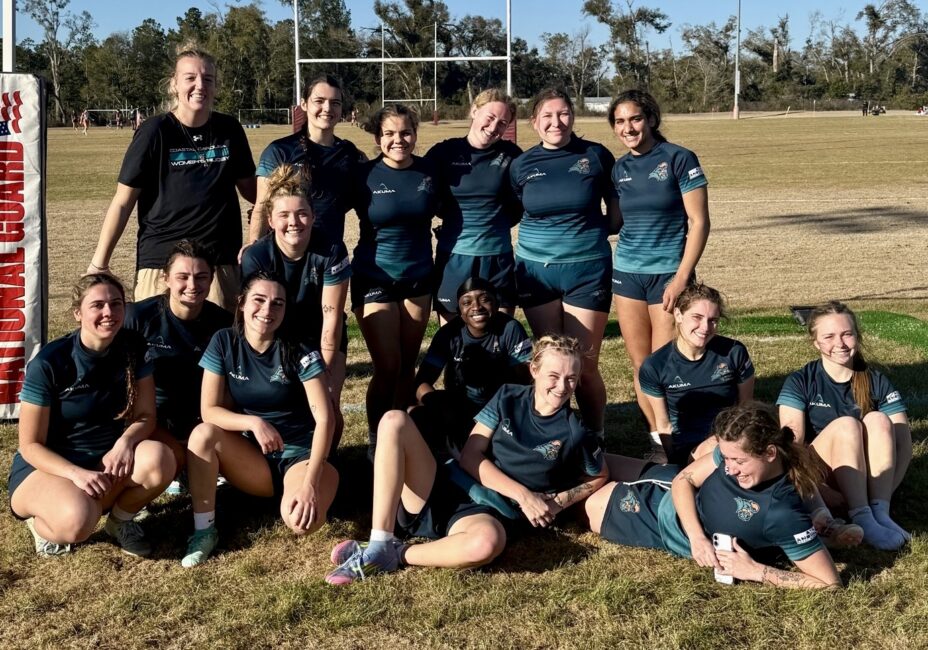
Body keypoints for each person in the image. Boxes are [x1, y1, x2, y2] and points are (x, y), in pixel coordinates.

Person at [324, 335, 607, 585]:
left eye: (571, 378)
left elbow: (599, 474)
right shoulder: (508, 396)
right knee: (394, 420)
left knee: (485, 545)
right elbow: (470, 455)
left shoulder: (576, 430)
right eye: (553, 376)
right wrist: (523, 495)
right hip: (446, 484)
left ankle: (394, 553)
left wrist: (557, 503)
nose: (562, 386)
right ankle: (379, 540)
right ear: (534, 370)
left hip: (486, 514)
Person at [586, 403, 842, 589]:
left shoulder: (782, 514)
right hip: (670, 492)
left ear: (770, 453)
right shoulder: (742, 454)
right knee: (590, 470)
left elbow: (829, 583)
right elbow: (684, 480)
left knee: (584, 505)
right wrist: (698, 538)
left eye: (738, 461)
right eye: (726, 458)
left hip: (658, 523)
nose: (728, 468)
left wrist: (755, 571)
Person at [8, 274, 174, 557]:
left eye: (116, 304)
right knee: (78, 522)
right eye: (97, 305)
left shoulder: (133, 347)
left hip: (105, 459)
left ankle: (119, 521)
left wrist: (125, 443)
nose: (108, 313)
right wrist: (76, 474)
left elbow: (146, 415)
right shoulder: (50, 362)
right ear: (78, 313)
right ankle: (41, 522)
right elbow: (30, 446)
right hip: (49, 467)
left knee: (161, 459)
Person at [180, 271, 338, 567]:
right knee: (202, 434)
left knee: (302, 523)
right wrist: (253, 423)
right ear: (241, 303)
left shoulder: (300, 348)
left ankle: (310, 487)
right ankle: (204, 531)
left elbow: (326, 420)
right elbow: (209, 410)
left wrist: (309, 483)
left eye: (277, 303)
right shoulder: (224, 341)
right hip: (255, 459)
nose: (267, 310)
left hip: (300, 457)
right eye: (259, 300)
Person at [88, 42, 257, 311]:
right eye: (190, 78)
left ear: (216, 86)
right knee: (157, 347)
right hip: (161, 262)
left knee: (219, 346)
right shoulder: (154, 132)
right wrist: (99, 262)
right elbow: (123, 202)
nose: (200, 85)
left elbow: (254, 191)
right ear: (174, 84)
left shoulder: (230, 129)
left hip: (218, 262)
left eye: (208, 79)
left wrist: (273, 205)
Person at [608, 89, 710, 454]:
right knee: (641, 364)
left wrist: (682, 277)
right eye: (620, 121)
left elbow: (699, 222)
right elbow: (614, 221)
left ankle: (680, 434)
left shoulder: (679, 158)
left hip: (669, 273)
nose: (628, 127)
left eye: (635, 118)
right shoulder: (619, 168)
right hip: (627, 274)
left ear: (650, 119)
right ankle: (657, 437)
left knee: (667, 360)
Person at [508, 88, 616, 432]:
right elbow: (511, 211)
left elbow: (615, 217)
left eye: (564, 114)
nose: (557, 122)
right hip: (536, 273)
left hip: (587, 270)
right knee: (551, 364)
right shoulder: (521, 165)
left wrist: (584, 236)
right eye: (548, 116)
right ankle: (555, 434)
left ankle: (594, 435)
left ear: (573, 116)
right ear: (535, 123)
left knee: (583, 364)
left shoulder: (596, 156)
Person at [777, 301, 911, 550]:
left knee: (878, 419)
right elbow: (791, 448)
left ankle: (879, 513)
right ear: (815, 342)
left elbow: (903, 445)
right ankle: (862, 517)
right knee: (848, 425)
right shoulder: (800, 381)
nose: (840, 343)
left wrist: (882, 495)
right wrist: (821, 497)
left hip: (866, 483)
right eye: (829, 336)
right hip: (821, 481)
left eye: (847, 334)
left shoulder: (875, 380)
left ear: (857, 337)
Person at [242, 163, 351, 449]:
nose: (294, 222)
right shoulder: (257, 256)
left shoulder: (331, 249)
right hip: (276, 338)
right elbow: (256, 318)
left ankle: (325, 465)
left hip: (320, 336)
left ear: (313, 216)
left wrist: (325, 368)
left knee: (327, 410)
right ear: (270, 219)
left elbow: (331, 314)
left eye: (302, 213)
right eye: (284, 215)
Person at [352, 104, 439, 453]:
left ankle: (399, 437)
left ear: (415, 134)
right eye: (389, 133)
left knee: (406, 365)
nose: (398, 140)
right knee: (388, 365)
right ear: (377, 138)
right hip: (374, 277)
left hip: (418, 277)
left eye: (405, 132)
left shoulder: (429, 173)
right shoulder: (363, 175)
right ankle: (377, 440)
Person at [123, 239, 232, 491]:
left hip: (201, 419)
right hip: (149, 419)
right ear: (166, 278)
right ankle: (166, 466)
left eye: (201, 277)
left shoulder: (223, 324)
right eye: (182, 276)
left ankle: (191, 463)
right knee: (174, 460)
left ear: (212, 278)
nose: (192, 285)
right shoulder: (137, 318)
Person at [426, 89, 522, 322]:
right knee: (454, 339)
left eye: (502, 123)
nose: (494, 127)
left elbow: (521, 203)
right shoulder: (443, 152)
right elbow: (425, 196)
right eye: (489, 118)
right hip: (455, 257)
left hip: (497, 257)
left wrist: (496, 225)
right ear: (474, 111)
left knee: (500, 336)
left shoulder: (512, 155)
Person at [411, 277, 532, 456]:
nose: (476, 307)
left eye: (484, 299)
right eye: (467, 302)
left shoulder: (510, 329)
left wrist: (505, 410)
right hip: (459, 407)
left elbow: (527, 381)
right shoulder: (449, 334)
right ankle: (438, 462)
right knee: (413, 414)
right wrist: (440, 404)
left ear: (497, 303)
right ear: (459, 311)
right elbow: (422, 382)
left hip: (501, 408)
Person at [638, 283, 754, 464]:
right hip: (688, 449)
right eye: (697, 317)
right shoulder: (655, 366)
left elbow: (746, 408)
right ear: (678, 315)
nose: (705, 327)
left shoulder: (734, 352)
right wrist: (675, 465)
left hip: (731, 439)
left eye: (713, 320)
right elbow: (664, 425)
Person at [248, 74, 365, 249]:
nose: (327, 108)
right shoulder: (279, 151)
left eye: (335, 103)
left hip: (328, 257)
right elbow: (262, 207)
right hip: (285, 255)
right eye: (319, 101)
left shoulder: (350, 153)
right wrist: (254, 250)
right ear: (304, 104)